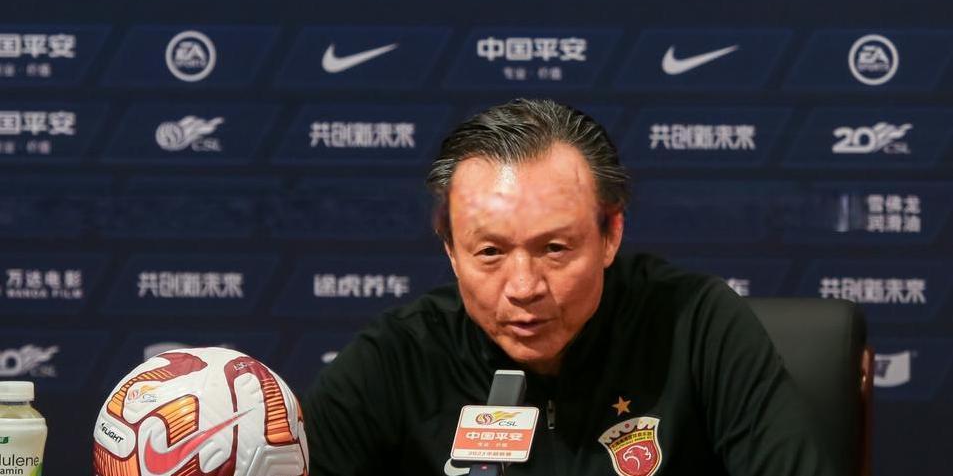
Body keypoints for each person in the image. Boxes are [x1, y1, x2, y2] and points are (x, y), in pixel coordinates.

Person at [304, 98, 834, 476]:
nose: (523, 287)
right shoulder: (398, 356)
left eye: (554, 249)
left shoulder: (696, 325)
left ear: (611, 234)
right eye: (489, 252)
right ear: (450, 250)